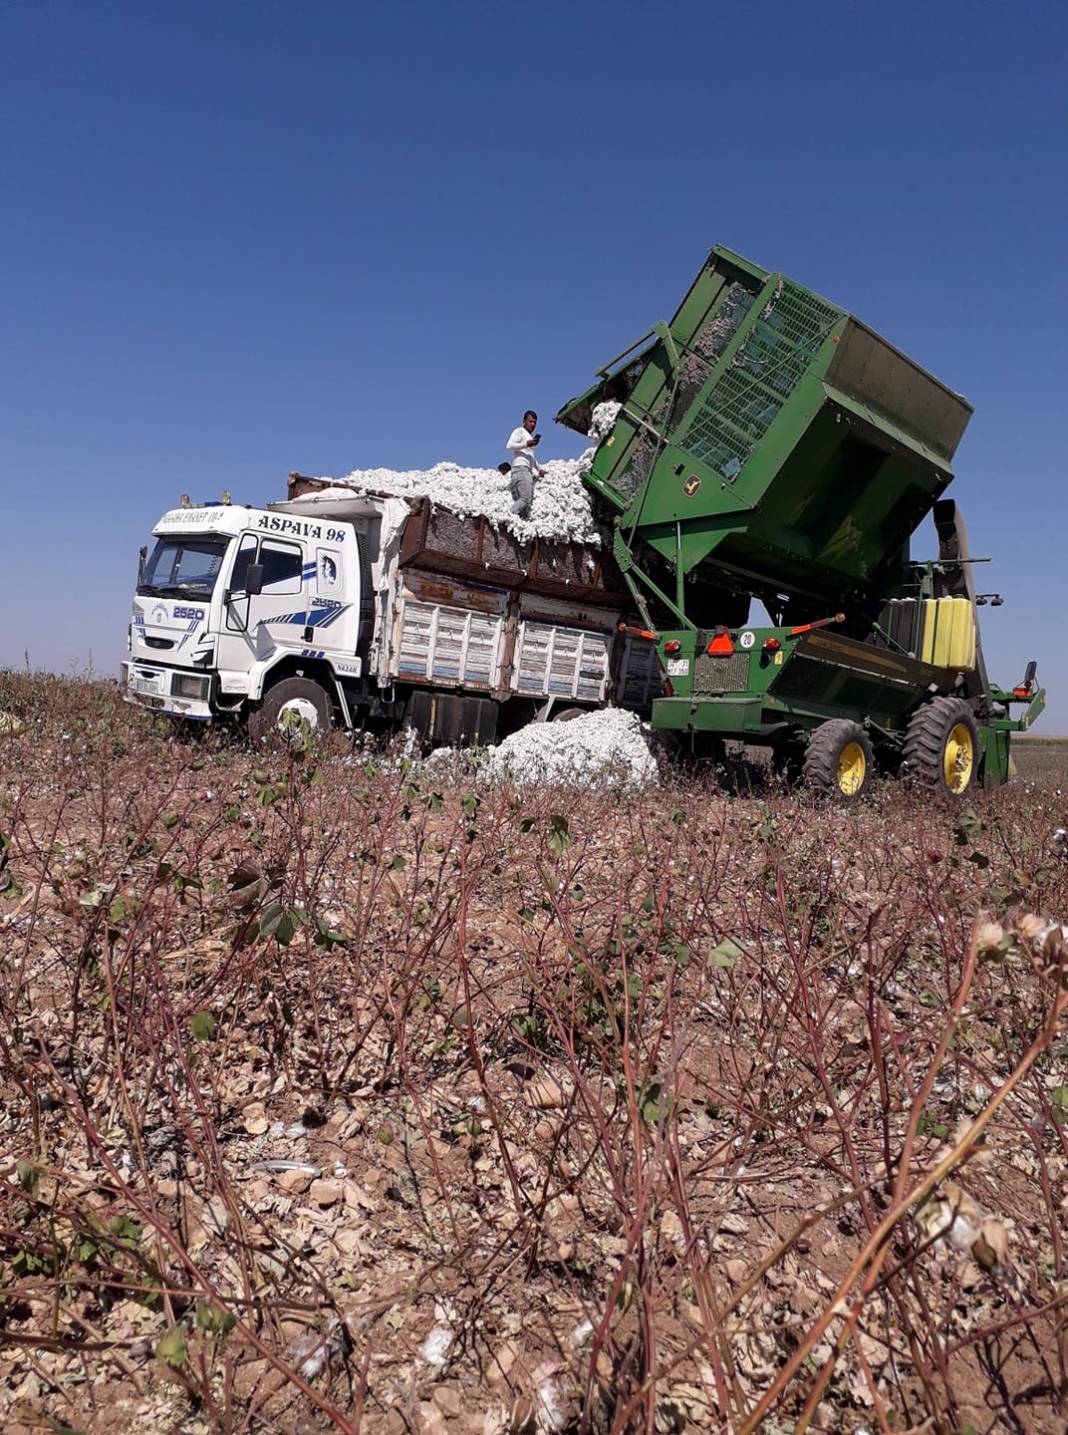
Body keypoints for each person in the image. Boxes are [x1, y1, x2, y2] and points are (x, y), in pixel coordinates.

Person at [506, 409, 544, 516]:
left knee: (524, 509)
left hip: (525, 470)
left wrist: (539, 469)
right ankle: (508, 515)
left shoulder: (529, 437)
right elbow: (509, 446)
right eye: (530, 421)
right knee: (525, 498)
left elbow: (530, 456)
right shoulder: (520, 431)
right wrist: (526, 444)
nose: (533, 424)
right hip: (521, 469)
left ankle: (513, 522)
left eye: (534, 422)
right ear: (524, 421)